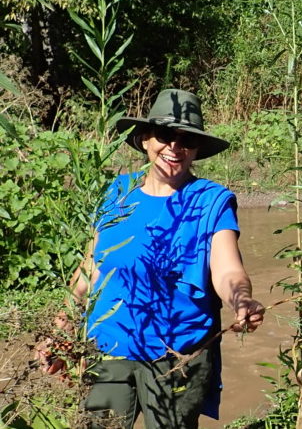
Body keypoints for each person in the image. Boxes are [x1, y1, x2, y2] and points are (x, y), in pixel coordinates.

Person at [36, 89, 265, 429]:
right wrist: (60, 327)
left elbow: (227, 268)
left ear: (197, 150)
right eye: (165, 135)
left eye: (187, 140)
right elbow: (91, 267)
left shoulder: (211, 201)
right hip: (110, 347)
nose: (175, 147)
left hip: (176, 357)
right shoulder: (117, 192)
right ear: (145, 139)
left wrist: (242, 300)